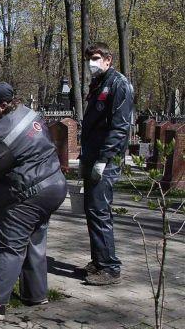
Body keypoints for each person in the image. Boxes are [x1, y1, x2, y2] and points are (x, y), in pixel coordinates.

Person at [0, 82, 67, 321]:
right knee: (35, 238)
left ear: (3, 105)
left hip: (28, 194)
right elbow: (20, 152)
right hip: (54, 186)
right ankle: (36, 295)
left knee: (10, 247)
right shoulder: (30, 114)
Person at [80, 42, 133, 285]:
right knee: (92, 210)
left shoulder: (118, 84)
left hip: (106, 159)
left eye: (97, 57)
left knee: (100, 211)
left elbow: (120, 127)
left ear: (108, 60)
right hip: (93, 156)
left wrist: (103, 159)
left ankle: (110, 268)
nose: (92, 62)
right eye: (89, 58)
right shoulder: (99, 83)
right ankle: (99, 260)